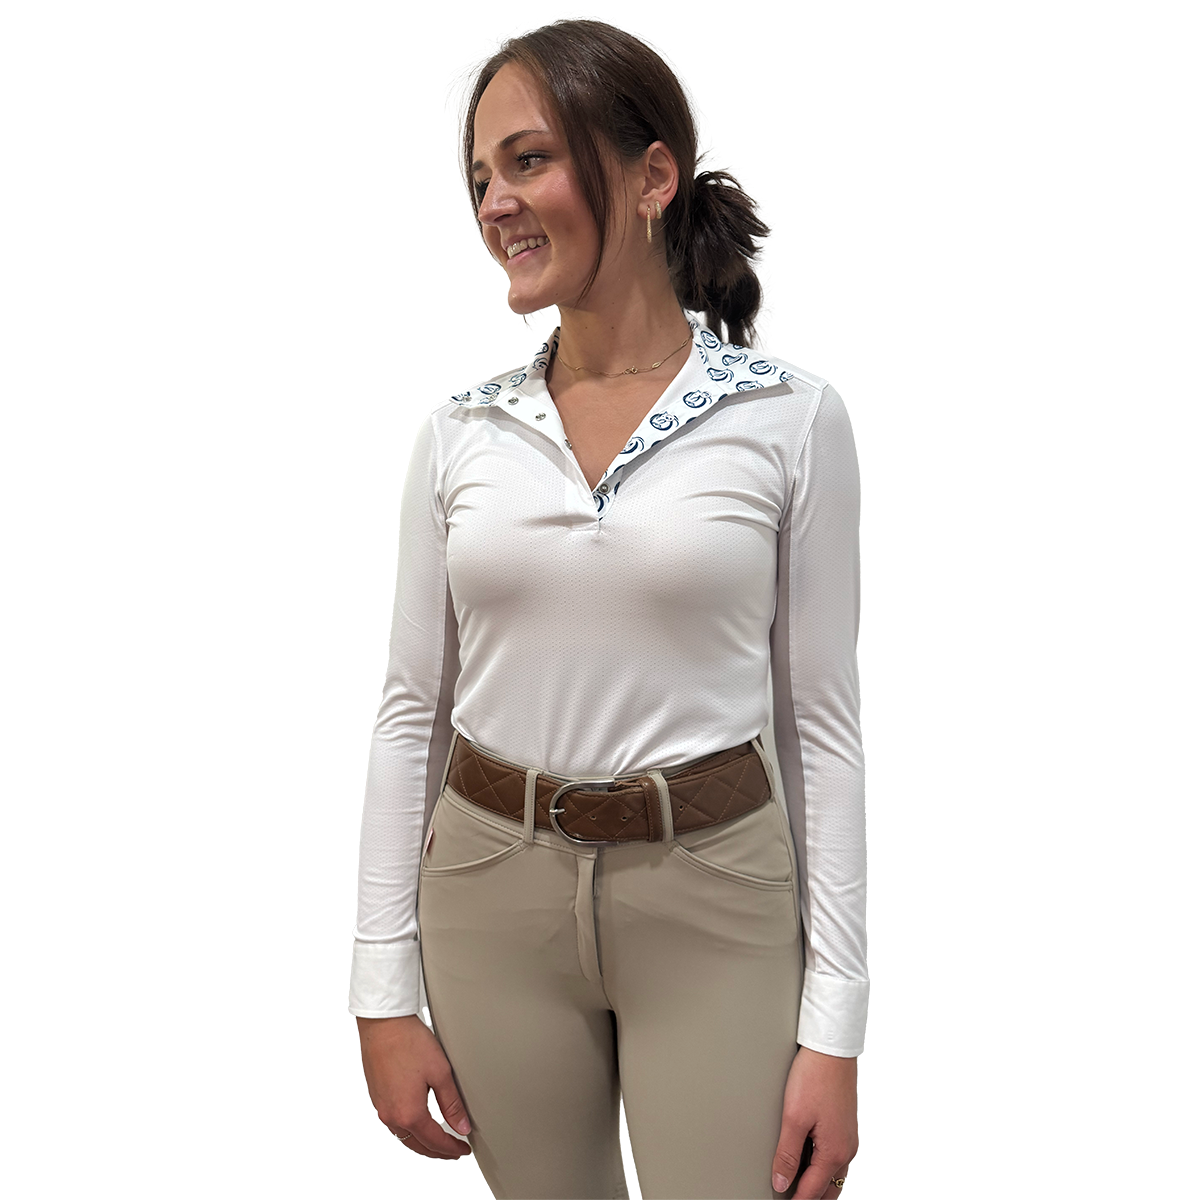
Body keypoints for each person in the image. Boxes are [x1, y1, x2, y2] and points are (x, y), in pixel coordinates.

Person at [349, 19, 867, 1200]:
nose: (496, 203)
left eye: (529, 160)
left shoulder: (788, 419)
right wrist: (381, 989)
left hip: (719, 896)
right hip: (487, 900)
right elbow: (409, 712)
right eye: (481, 176)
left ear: (651, 175)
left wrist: (836, 1026)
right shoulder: (462, 433)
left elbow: (822, 731)